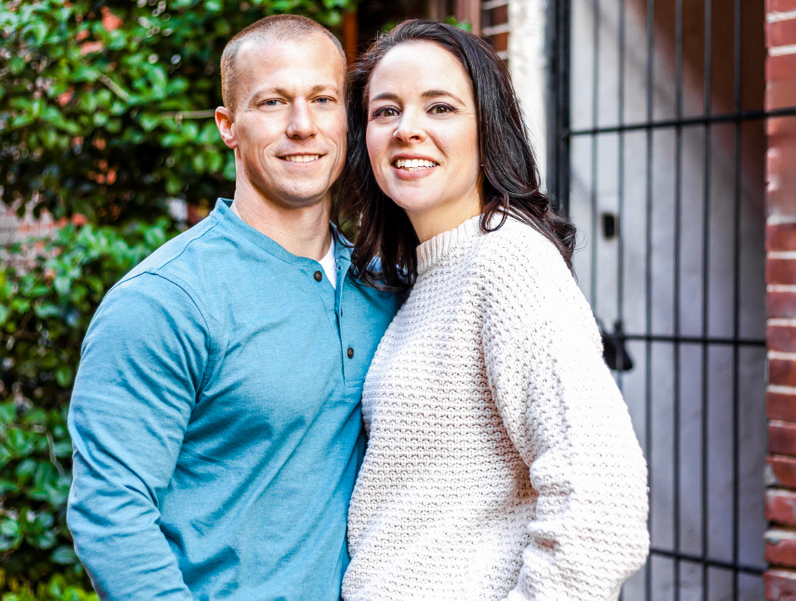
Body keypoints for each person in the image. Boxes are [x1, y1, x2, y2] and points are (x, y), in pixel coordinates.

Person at [66, 15, 398, 600]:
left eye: (322, 99)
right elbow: (111, 517)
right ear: (228, 126)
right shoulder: (165, 302)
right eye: (272, 102)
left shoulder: (383, 285)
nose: (302, 126)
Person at [340, 20, 650, 600]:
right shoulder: (425, 277)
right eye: (386, 111)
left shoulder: (508, 264)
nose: (408, 130)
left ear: (488, 126)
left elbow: (602, 504)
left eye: (440, 108)